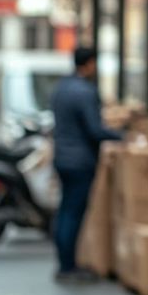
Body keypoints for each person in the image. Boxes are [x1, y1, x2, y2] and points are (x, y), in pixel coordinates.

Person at [50, 46, 123, 282]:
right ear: (89, 63)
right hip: (80, 161)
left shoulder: (61, 88)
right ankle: (68, 266)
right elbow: (95, 130)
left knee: (64, 211)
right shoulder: (86, 91)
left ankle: (64, 262)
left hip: (62, 157)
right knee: (73, 213)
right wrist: (123, 137)